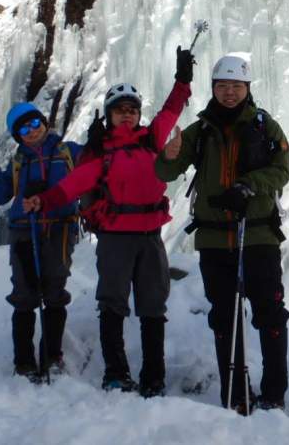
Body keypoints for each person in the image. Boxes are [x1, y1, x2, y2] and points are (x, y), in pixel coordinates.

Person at [24, 46, 194, 397]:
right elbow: (71, 187)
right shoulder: (100, 155)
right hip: (116, 238)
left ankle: (153, 377)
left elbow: (171, 109)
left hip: (150, 236)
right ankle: (116, 373)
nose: (127, 116)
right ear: (109, 115)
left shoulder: (151, 141)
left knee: (152, 308)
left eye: (132, 110)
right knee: (113, 305)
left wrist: (183, 80)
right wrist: (43, 200)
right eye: (120, 111)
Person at [156, 53, 289, 414]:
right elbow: (165, 173)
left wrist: (250, 185)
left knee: (270, 312)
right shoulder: (199, 132)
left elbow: (281, 170)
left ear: (247, 88)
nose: (229, 93)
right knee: (225, 315)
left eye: (236, 86)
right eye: (222, 86)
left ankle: (274, 393)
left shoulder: (266, 127)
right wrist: (168, 156)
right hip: (215, 239)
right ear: (213, 88)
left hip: (259, 234)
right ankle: (235, 394)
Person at [0, 103, 82, 380]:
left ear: (44, 123)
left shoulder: (68, 151)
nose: (31, 131)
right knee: (25, 294)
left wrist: (98, 138)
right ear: (17, 136)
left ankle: (52, 356)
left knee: (55, 290)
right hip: (23, 229)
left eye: (35, 124)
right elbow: (0, 195)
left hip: (59, 228)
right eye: (23, 128)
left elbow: (95, 165)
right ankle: (23, 361)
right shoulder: (18, 161)